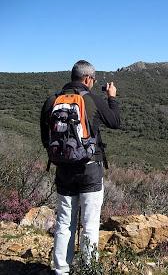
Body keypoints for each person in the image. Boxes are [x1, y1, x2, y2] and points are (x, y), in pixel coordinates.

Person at [40, 60, 120, 274]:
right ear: (87, 79)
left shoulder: (52, 100)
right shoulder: (92, 99)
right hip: (90, 170)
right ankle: (89, 269)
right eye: (93, 80)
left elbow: (45, 139)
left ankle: (61, 270)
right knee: (90, 224)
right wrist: (111, 98)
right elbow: (115, 121)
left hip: (64, 172)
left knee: (65, 223)